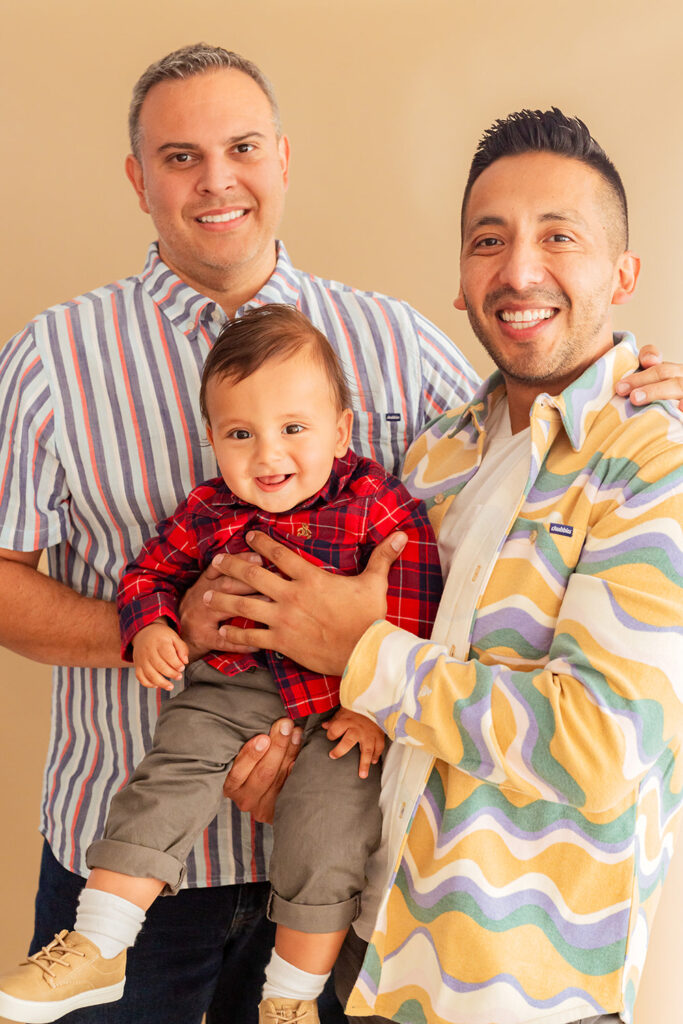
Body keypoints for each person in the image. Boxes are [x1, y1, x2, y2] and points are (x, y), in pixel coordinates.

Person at [0, 42, 678, 1024]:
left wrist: (638, 375)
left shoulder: (393, 345)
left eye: (239, 147)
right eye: (179, 156)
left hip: (333, 864)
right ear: (137, 178)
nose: (215, 178)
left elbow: (537, 408)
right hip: (133, 855)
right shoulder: (51, 361)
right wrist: (173, 626)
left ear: (281, 157)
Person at [198, 109, 683, 1024]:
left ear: (621, 274)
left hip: (511, 997)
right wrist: (290, 759)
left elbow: (602, 749)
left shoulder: (652, 462)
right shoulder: (432, 458)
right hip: (360, 963)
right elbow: (375, 718)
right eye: (488, 240)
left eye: (558, 237)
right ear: (461, 283)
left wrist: (363, 651)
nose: (518, 270)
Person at [0, 304, 442, 1024]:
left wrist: (372, 705)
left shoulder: (376, 504)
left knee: (330, 829)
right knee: (170, 769)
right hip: (229, 683)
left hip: (342, 704)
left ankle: (291, 1000)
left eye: (293, 430)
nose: (267, 457)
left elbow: (420, 593)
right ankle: (98, 942)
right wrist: (146, 630)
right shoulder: (209, 510)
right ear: (211, 439)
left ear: (340, 430)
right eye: (241, 435)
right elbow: (147, 576)